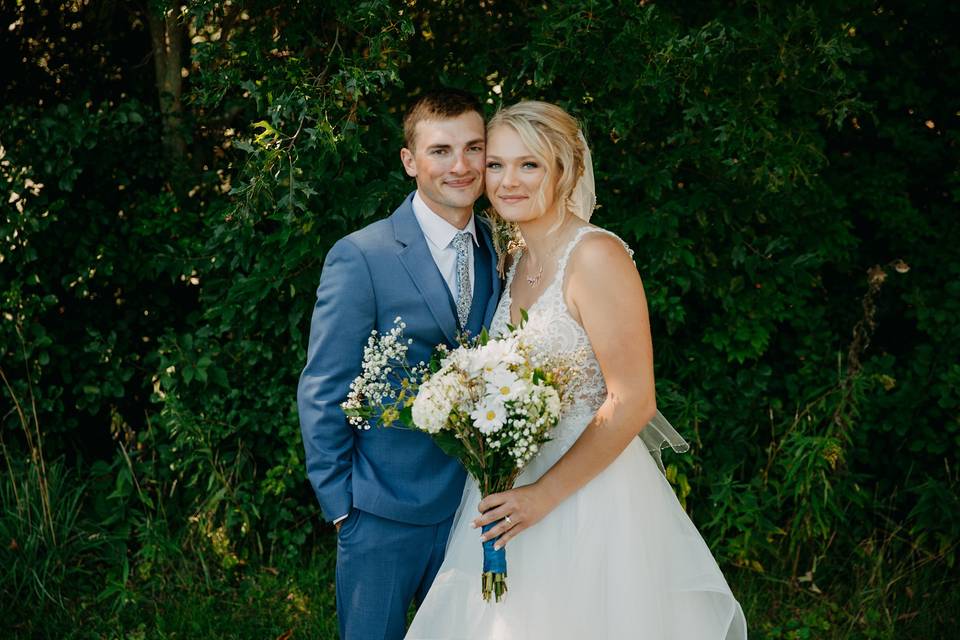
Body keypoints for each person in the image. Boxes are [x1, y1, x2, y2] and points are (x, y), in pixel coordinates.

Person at [406, 101, 748, 639]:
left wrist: (542, 496)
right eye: (495, 164)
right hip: (509, 493)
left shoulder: (596, 257)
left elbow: (634, 399)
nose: (507, 181)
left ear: (565, 170)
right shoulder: (514, 259)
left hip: (588, 501)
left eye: (529, 165)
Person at [297, 88, 502, 640]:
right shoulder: (363, 255)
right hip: (379, 512)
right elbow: (322, 388)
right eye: (440, 151)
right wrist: (342, 505)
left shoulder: (499, 248)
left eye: (473, 148)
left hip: (470, 512)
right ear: (410, 161)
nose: (459, 167)